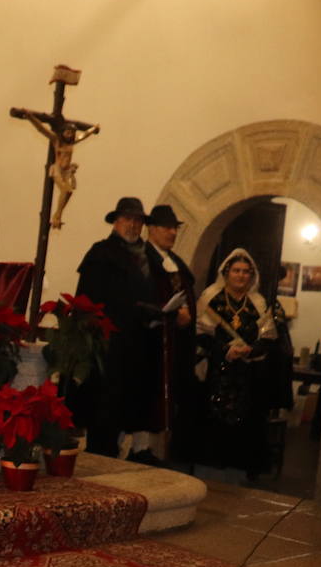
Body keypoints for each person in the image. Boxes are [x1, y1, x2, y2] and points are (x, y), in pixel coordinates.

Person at [70, 196, 166, 461]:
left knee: (130, 405)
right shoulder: (101, 253)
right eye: (127, 219)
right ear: (116, 222)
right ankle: (100, 455)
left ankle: (126, 452)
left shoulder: (149, 256)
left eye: (137, 220)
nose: (133, 225)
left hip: (139, 344)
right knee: (105, 407)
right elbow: (88, 300)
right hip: (109, 344)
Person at [193, 249, 278, 478]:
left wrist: (250, 350)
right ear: (227, 272)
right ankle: (213, 461)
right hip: (217, 370)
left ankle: (241, 464)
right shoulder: (211, 298)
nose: (241, 276)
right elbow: (201, 335)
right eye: (236, 271)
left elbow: (268, 339)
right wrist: (224, 351)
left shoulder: (258, 303)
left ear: (251, 276)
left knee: (248, 415)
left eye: (245, 272)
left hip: (249, 371)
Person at [143, 204, 198, 460]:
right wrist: (175, 314)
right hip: (153, 340)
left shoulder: (175, 262)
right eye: (166, 227)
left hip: (176, 340)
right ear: (151, 229)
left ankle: (159, 449)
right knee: (149, 395)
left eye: (174, 228)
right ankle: (140, 448)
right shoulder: (143, 258)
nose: (172, 232)